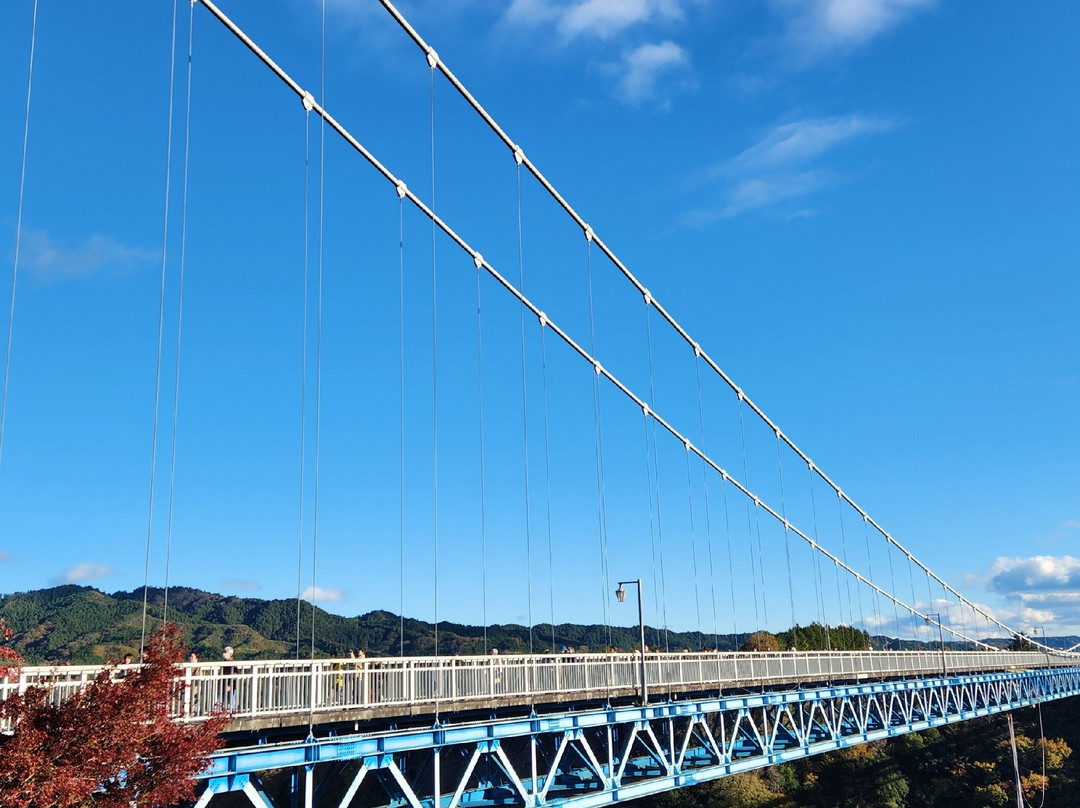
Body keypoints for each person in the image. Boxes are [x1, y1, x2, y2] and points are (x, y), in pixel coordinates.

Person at [221, 645, 237, 710]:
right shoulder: (224, 663)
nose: (224, 654)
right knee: (222, 701)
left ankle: (232, 714)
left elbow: (234, 675)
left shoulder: (233, 663)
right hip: (224, 685)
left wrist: (230, 685)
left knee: (231, 700)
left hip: (231, 686)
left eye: (226, 652)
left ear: (230, 654)